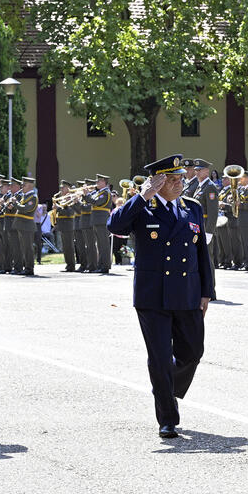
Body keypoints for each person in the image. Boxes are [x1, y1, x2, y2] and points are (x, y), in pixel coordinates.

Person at [107, 154, 213, 438]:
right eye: (173, 179)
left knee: (193, 353)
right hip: (153, 296)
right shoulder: (143, 207)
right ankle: (167, 416)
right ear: (159, 182)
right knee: (161, 358)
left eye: (181, 178)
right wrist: (142, 196)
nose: (180, 184)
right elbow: (114, 226)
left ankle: (167, 389)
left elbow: (202, 253)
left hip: (187, 293)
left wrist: (207, 292)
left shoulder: (192, 208)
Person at [90, 173, 114, 273]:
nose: (96, 183)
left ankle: (105, 266)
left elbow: (96, 202)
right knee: (100, 244)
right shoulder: (99, 192)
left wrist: (86, 195)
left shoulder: (106, 192)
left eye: (98, 181)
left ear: (104, 182)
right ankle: (100, 265)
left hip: (102, 220)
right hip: (97, 220)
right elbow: (91, 200)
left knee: (104, 244)